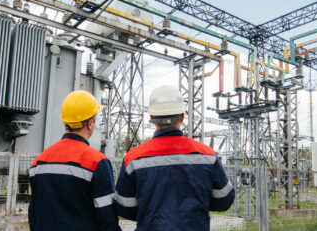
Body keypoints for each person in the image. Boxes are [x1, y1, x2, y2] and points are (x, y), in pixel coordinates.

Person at [114, 85, 235, 230]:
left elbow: (124, 207)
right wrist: (199, 205)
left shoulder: (133, 159)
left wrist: (149, 212)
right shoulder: (207, 155)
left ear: (152, 118)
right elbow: (225, 200)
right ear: (182, 117)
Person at [28, 90, 120, 231]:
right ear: (90, 124)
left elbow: (33, 214)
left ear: (65, 121)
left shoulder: (39, 162)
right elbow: (107, 220)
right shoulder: (97, 163)